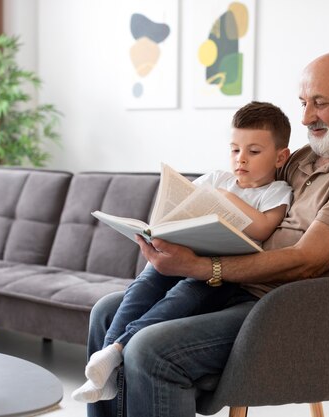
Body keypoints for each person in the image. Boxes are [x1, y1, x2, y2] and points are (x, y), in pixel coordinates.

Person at [86, 51, 329, 417]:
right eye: (303, 103)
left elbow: (308, 261)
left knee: (151, 348)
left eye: (320, 103)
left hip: (294, 314)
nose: (307, 117)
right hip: (245, 291)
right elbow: (252, 193)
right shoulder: (309, 156)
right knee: (107, 312)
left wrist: (203, 267)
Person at [73, 101, 293, 403]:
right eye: (234, 150)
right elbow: (178, 207)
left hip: (215, 275)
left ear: (281, 157)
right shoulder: (218, 179)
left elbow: (263, 228)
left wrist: (224, 198)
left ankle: (117, 349)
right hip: (182, 255)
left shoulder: (276, 192)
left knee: (181, 298)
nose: (241, 159)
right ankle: (105, 362)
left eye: (253, 152)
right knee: (142, 286)